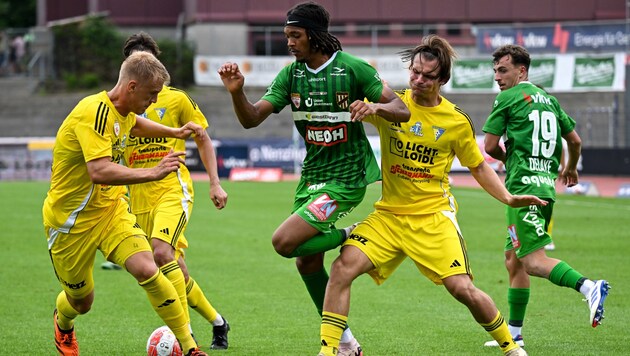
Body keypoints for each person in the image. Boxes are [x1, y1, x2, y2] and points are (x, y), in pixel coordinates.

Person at [317, 34, 542, 356]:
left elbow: (478, 167)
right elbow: (356, 81)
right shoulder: (393, 105)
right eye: (415, 73)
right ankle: (329, 352)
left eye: (428, 76)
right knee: (342, 269)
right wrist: (369, 105)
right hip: (389, 217)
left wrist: (507, 197)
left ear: (443, 79)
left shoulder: (455, 120)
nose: (419, 80)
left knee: (461, 288)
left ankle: (511, 347)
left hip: (433, 218)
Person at [218, 2, 410, 355]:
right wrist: (236, 93)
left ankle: (355, 234)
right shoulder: (291, 76)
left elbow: (402, 109)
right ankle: (346, 344)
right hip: (312, 179)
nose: (289, 43)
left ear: (315, 36)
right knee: (306, 260)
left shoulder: (353, 69)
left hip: (346, 178)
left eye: (295, 35)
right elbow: (251, 119)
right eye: (287, 36)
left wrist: (375, 107)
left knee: (283, 243)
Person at [43, 51, 208, 356]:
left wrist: (174, 132)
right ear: (131, 87)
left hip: (110, 210)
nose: (155, 101)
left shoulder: (124, 111)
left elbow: (134, 125)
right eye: (151, 94)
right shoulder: (94, 112)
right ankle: (63, 323)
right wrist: (153, 172)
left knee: (147, 268)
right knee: (82, 301)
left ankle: (191, 348)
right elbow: (99, 170)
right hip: (70, 222)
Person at [482, 44, 610, 348]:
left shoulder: (508, 98)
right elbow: (575, 141)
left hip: (522, 190)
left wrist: (507, 159)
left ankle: (589, 286)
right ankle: (514, 334)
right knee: (513, 261)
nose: (498, 77)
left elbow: (488, 146)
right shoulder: (550, 101)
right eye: (495, 71)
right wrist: (571, 169)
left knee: (533, 261)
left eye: (503, 70)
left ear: (521, 70)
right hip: (545, 188)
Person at [120, 31, 231, 350]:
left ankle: (187, 338)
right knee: (174, 268)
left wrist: (214, 182)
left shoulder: (175, 99)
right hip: (138, 196)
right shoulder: (120, 105)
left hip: (172, 188)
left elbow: (202, 137)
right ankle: (218, 321)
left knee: (160, 251)